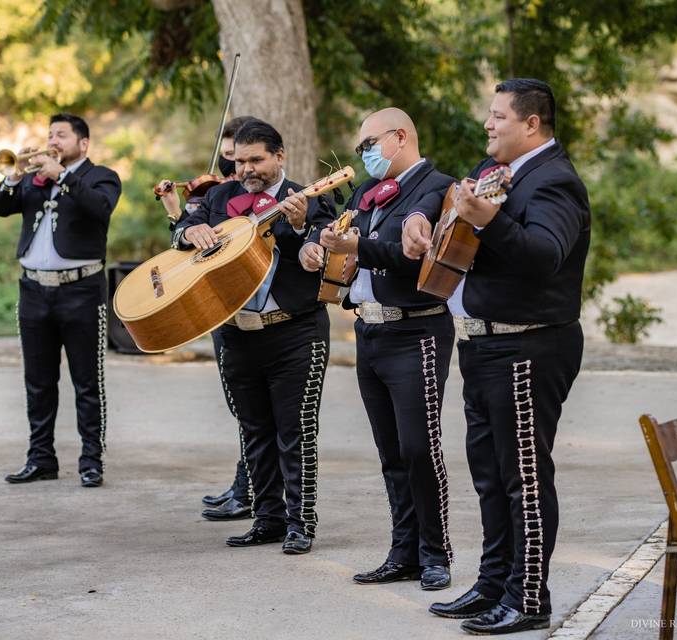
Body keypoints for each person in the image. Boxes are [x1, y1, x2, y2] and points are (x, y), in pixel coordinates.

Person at [403, 78, 590, 634]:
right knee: (489, 474)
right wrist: (425, 226)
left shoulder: (555, 181)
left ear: (532, 123)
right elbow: (466, 239)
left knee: (524, 477)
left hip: (529, 345)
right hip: (484, 343)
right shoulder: (502, 175)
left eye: (498, 116)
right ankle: (493, 584)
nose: (487, 124)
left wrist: (488, 218)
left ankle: (529, 596)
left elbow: (544, 256)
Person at [297, 108, 456, 590]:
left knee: (418, 447)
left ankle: (435, 553)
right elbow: (343, 233)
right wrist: (317, 246)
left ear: (400, 136)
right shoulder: (366, 193)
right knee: (390, 452)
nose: (363, 151)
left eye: (370, 141)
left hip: (417, 331)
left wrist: (353, 246)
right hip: (370, 331)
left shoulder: (436, 187)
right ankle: (402, 550)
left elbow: (412, 255)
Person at [175, 118, 336, 554]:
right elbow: (176, 236)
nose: (247, 168)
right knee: (253, 431)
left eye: (257, 159)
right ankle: (266, 519)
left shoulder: (311, 196)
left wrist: (303, 230)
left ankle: (301, 523)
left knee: (295, 431)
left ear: (279, 156)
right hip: (236, 333)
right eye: (240, 160)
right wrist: (190, 232)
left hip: (295, 332)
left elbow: (329, 246)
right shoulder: (219, 197)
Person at [0, 113, 122, 488]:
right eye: (50, 134)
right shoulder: (32, 178)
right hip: (33, 291)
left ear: (83, 143)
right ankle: (41, 458)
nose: (53, 140)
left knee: (86, 382)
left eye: (61, 135)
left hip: (81, 292)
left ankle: (91, 461)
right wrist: (15, 176)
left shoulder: (101, 177)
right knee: (38, 381)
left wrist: (61, 175)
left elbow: (100, 208)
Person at [158, 115, 254, 521]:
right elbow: (187, 245)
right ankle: (244, 482)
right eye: (227, 158)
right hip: (223, 311)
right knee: (240, 405)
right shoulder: (214, 196)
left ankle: (248, 488)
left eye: (238, 159)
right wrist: (176, 211)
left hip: (253, 308)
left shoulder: (253, 194)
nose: (231, 170)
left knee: (252, 409)